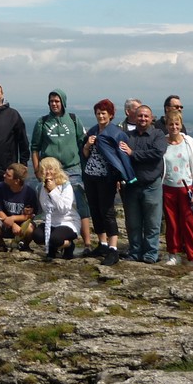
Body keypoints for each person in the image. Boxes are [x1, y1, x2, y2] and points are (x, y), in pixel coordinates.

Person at [29, 89, 92, 250]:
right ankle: (56, 235)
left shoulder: (73, 120)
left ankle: (87, 243)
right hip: (50, 170)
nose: (54, 104)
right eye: (51, 101)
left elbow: (81, 142)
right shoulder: (42, 122)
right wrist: (37, 169)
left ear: (63, 102)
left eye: (57, 101)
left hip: (73, 168)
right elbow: (35, 147)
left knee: (80, 203)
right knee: (50, 201)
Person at [80, 99, 134, 266]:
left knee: (107, 211)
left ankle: (113, 249)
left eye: (104, 113)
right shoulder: (93, 131)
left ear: (111, 115)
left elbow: (121, 157)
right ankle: (102, 244)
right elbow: (85, 154)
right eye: (98, 113)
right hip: (90, 176)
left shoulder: (116, 133)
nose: (101, 116)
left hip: (106, 178)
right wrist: (88, 146)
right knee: (95, 210)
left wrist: (121, 177)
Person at [161, 109, 193, 268]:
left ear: (181, 125)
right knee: (172, 224)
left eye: (177, 124)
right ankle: (173, 254)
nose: (174, 127)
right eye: (171, 124)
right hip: (167, 189)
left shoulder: (189, 142)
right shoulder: (162, 142)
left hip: (186, 189)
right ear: (166, 126)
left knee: (191, 224)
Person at [118, 105, 166, 263]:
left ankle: (151, 254)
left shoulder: (158, 134)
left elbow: (157, 153)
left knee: (152, 222)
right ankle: (135, 252)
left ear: (152, 118)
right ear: (134, 117)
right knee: (133, 222)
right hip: (131, 185)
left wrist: (133, 154)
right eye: (140, 116)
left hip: (152, 184)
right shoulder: (127, 136)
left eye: (146, 116)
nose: (143, 119)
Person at [35, 157, 81, 260]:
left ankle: (69, 246)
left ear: (56, 170)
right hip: (51, 222)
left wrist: (53, 191)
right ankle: (51, 248)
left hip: (67, 221)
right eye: (45, 169)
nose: (47, 172)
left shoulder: (65, 186)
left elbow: (63, 209)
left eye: (50, 169)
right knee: (37, 236)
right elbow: (45, 208)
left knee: (55, 239)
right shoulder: (42, 187)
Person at [0, 162, 39, 251]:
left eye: (8, 175)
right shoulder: (0, 187)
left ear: (16, 181)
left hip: (21, 224)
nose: (4, 175)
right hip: (3, 221)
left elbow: (30, 215)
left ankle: (25, 245)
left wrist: (13, 218)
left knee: (30, 228)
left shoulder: (29, 192)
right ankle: (1, 244)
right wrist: (12, 224)